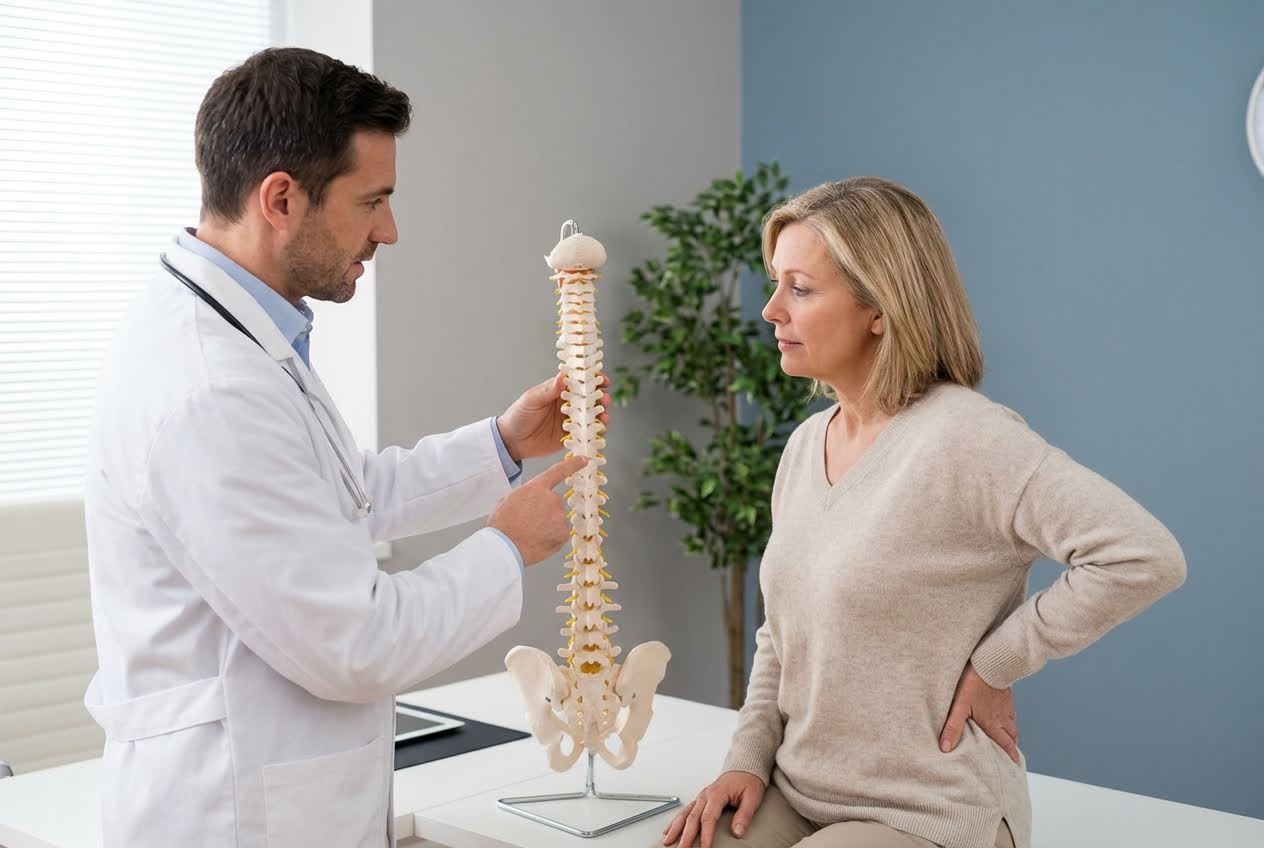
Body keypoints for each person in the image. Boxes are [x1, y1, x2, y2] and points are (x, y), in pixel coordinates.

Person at [82, 47, 604, 847]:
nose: (388, 231)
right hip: (230, 814)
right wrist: (505, 547)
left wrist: (500, 444)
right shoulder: (208, 389)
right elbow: (356, 644)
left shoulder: (244, 341)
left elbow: (334, 496)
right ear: (282, 199)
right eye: (373, 200)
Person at [660, 177, 1186, 848]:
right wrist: (744, 761)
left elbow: (1143, 554)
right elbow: (780, 637)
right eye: (775, 283)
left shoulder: (967, 437)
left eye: (799, 288)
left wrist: (999, 662)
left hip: (928, 811)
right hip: (796, 793)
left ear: (879, 305)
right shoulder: (803, 446)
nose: (769, 311)